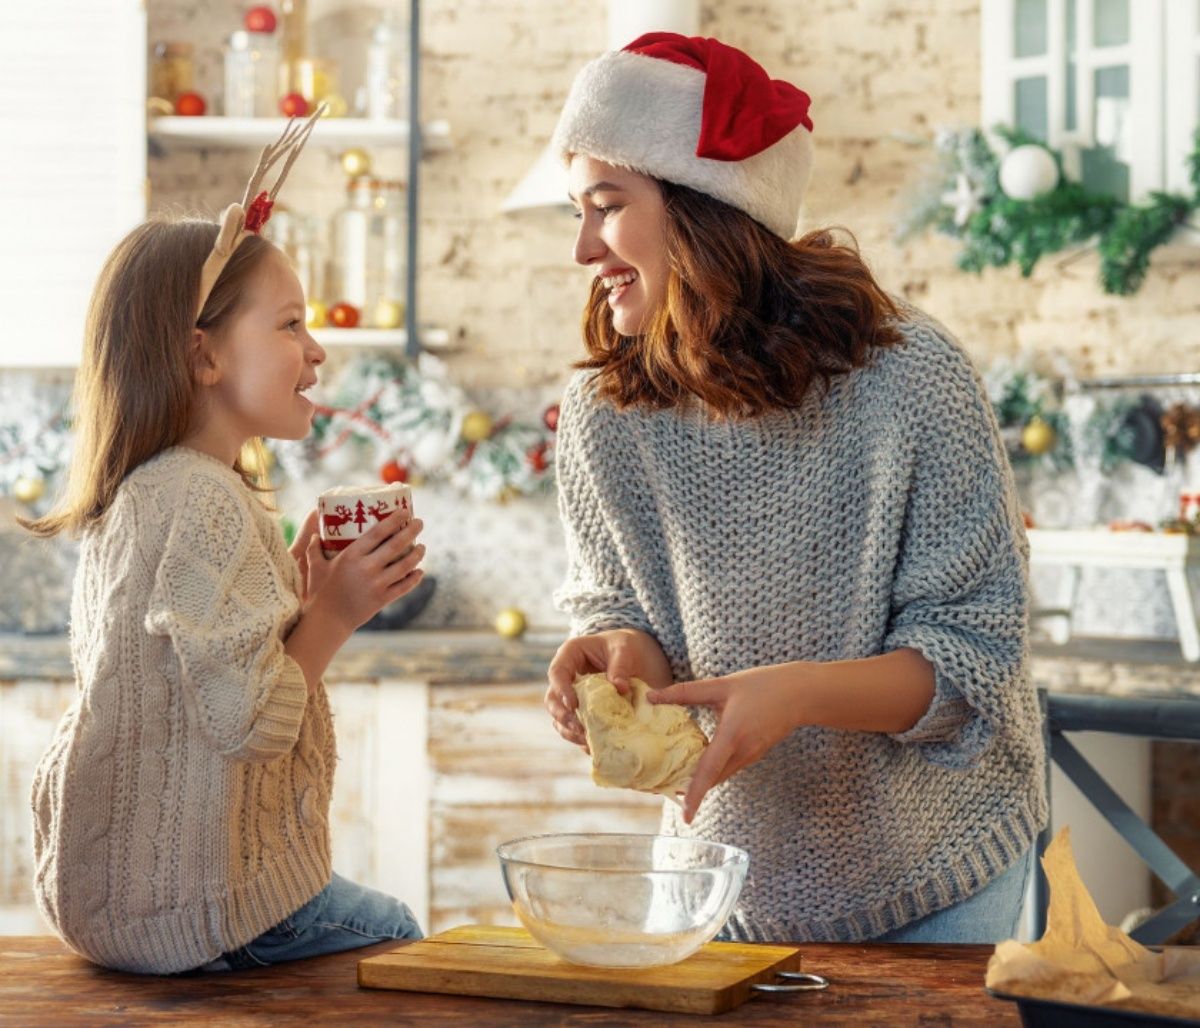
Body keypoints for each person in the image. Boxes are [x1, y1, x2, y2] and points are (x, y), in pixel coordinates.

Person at [543, 33, 1047, 944]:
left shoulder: (909, 377)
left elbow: (972, 661)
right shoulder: (603, 409)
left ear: (703, 210)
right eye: (576, 211)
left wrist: (800, 693)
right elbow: (626, 607)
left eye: (608, 208)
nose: (583, 247)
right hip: (716, 882)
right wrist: (619, 655)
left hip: (937, 872)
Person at [22, 112, 427, 974]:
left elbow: (196, 680)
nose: (316, 351)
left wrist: (303, 591)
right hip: (196, 906)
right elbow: (246, 721)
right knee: (398, 931)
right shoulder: (207, 500)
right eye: (288, 326)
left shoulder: (152, 488)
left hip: (107, 899)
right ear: (202, 356)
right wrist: (338, 615)